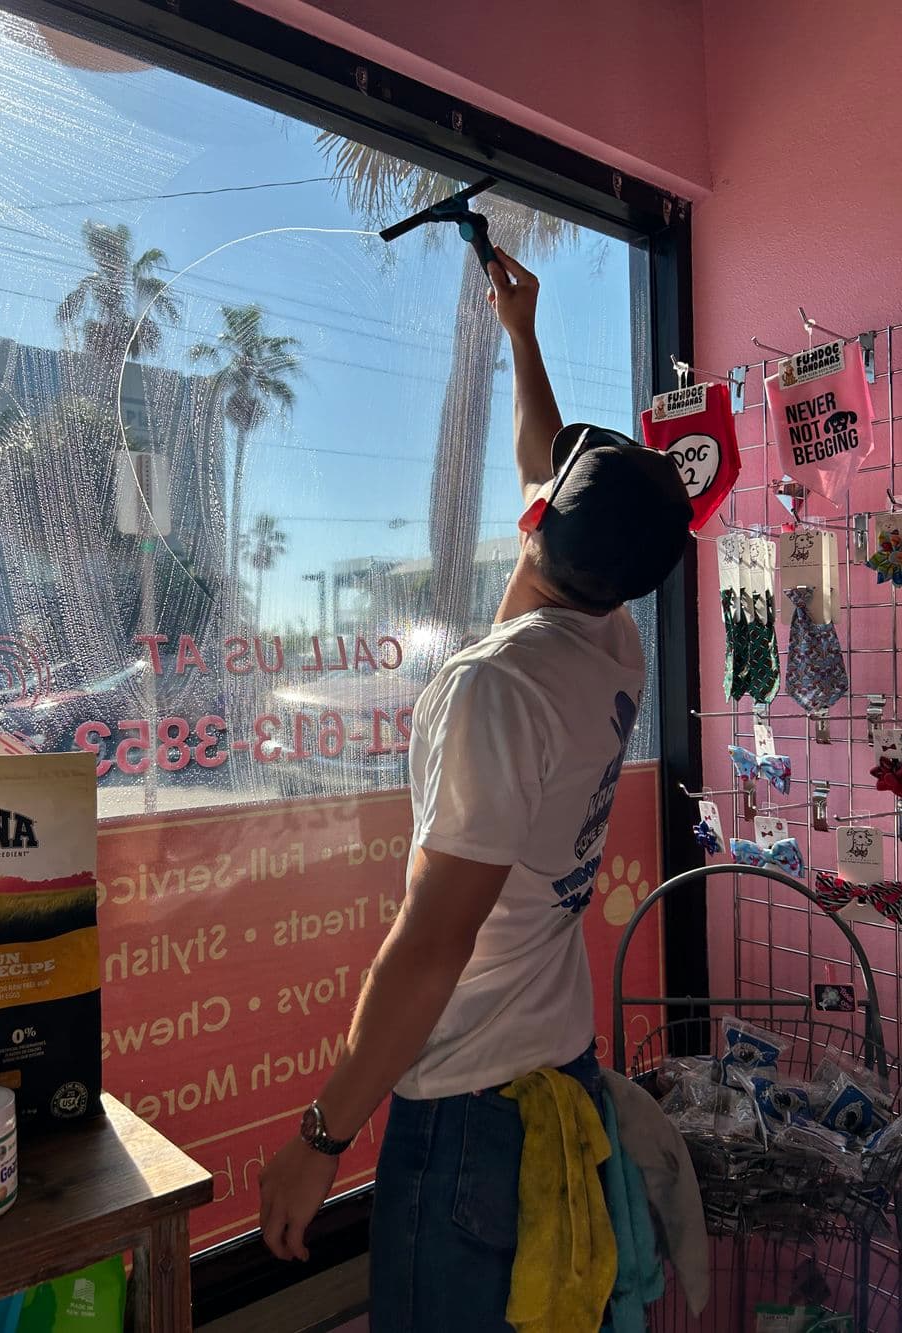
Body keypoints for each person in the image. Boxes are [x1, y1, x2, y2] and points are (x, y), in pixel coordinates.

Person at [259, 248, 693, 1329]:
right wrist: (521, 332)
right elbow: (543, 471)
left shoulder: (494, 687)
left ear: (534, 523)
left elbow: (433, 939)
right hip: (556, 1063)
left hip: (468, 1114)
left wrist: (320, 1141)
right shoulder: (613, 646)